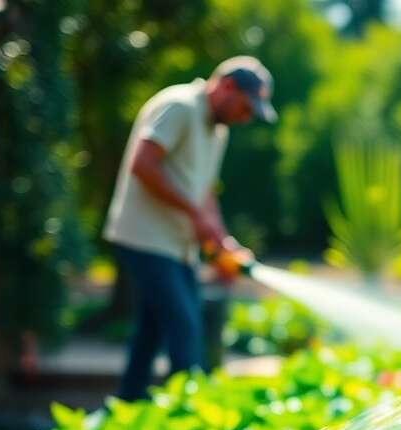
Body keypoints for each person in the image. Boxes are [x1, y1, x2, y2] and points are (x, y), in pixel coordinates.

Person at [103, 56, 275, 401]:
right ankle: (191, 416)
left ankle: (125, 405)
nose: (245, 118)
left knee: (151, 332)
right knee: (185, 327)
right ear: (226, 86)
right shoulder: (179, 106)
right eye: (245, 107)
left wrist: (220, 240)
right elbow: (143, 163)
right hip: (145, 237)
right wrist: (194, 214)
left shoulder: (217, 130)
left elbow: (205, 190)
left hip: (174, 244)